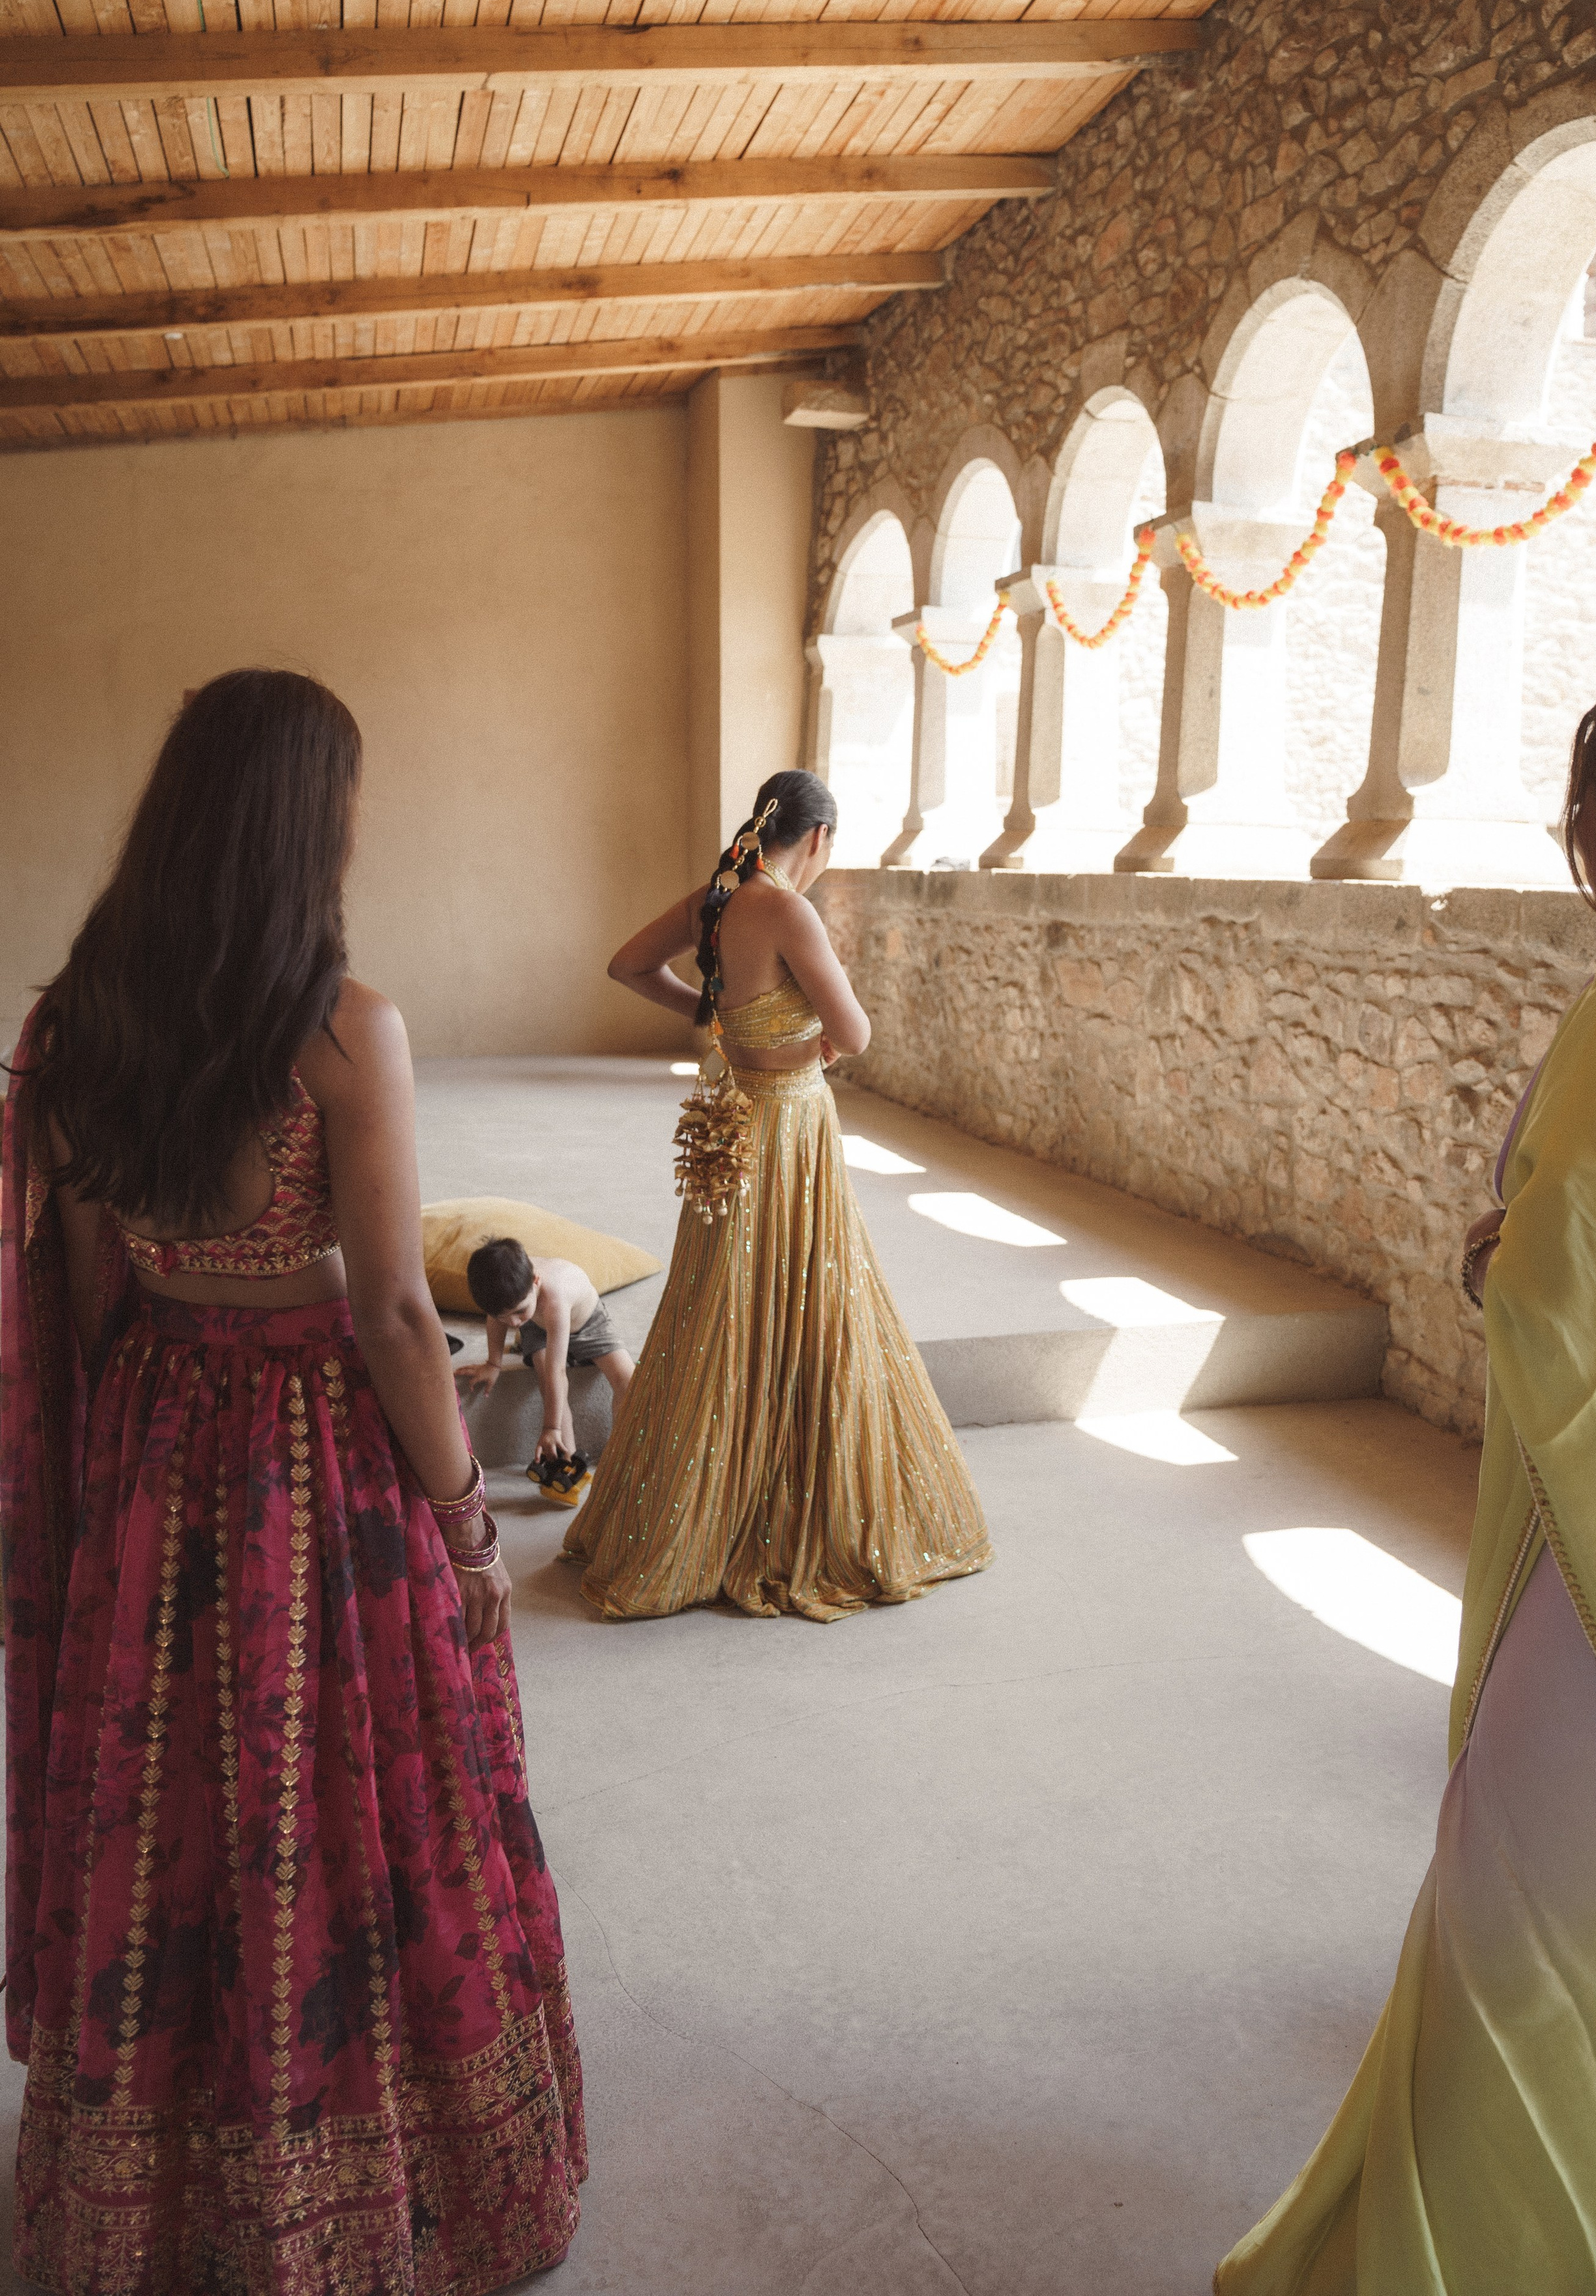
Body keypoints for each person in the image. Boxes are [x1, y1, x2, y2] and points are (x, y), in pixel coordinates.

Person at [0, 671, 586, 2292]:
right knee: (350, 1794)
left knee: (168, 1802)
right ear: (305, 823)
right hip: (314, 1460)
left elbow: (88, 1291)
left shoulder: (76, 1022)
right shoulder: (338, 1025)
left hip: (152, 1440)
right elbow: (395, 1310)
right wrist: (467, 1522)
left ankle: (155, 2192)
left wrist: (103, 1489)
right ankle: (371, 2187)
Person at [1217, 663, 1596, 2296]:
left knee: (1533, 1884)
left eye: (1579, 812)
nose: (1573, 840)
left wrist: (1498, 1258)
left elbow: (1569, 1284)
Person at [562, 768, 993, 1621]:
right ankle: (780, 1504)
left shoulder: (715, 899)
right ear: (819, 838)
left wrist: (715, 1016)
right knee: (805, 1295)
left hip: (730, 1117)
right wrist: (802, 1033)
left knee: (718, 1301)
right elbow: (855, 1034)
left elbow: (627, 965)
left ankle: (693, 1512)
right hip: (789, 1129)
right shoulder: (789, 911)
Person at [456, 1235, 635, 1507]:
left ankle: (626, 1452)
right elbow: (498, 1319)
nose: (513, 1323)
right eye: (504, 1317)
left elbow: (557, 1372)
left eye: (518, 1312)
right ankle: (566, 1462)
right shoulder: (512, 1298)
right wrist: (494, 1363)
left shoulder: (555, 1296)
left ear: (536, 1281)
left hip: (586, 1324)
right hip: (538, 1328)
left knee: (628, 1381)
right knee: (546, 1381)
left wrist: (550, 1426)